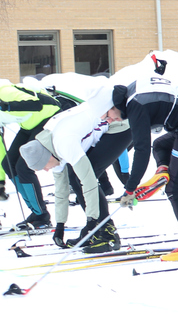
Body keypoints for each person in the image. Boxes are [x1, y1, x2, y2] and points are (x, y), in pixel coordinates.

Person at [106, 76, 178, 261]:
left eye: (107, 116)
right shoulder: (130, 94)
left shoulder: (135, 106)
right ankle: (163, 172)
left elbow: (141, 149)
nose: (109, 120)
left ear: (112, 106)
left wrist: (130, 188)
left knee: (175, 187)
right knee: (160, 145)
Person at [18, 84, 130, 253]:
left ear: (46, 157)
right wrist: (60, 225)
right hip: (102, 128)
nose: (46, 170)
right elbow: (61, 191)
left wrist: (91, 221)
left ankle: (105, 234)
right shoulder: (50, 147)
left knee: (81, 176)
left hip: (120, 126)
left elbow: (89, 181)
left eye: (43, 167)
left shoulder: (64, 143)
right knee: (74, 176)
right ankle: (97, 230)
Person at [0, 82, 71, 230]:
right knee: (8, 164)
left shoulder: (5, 92)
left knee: (23, 167)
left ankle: (41, 215)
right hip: (29, 125)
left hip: (49, 117)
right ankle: (36, 212)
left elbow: (35, 104)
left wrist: (6, 106)